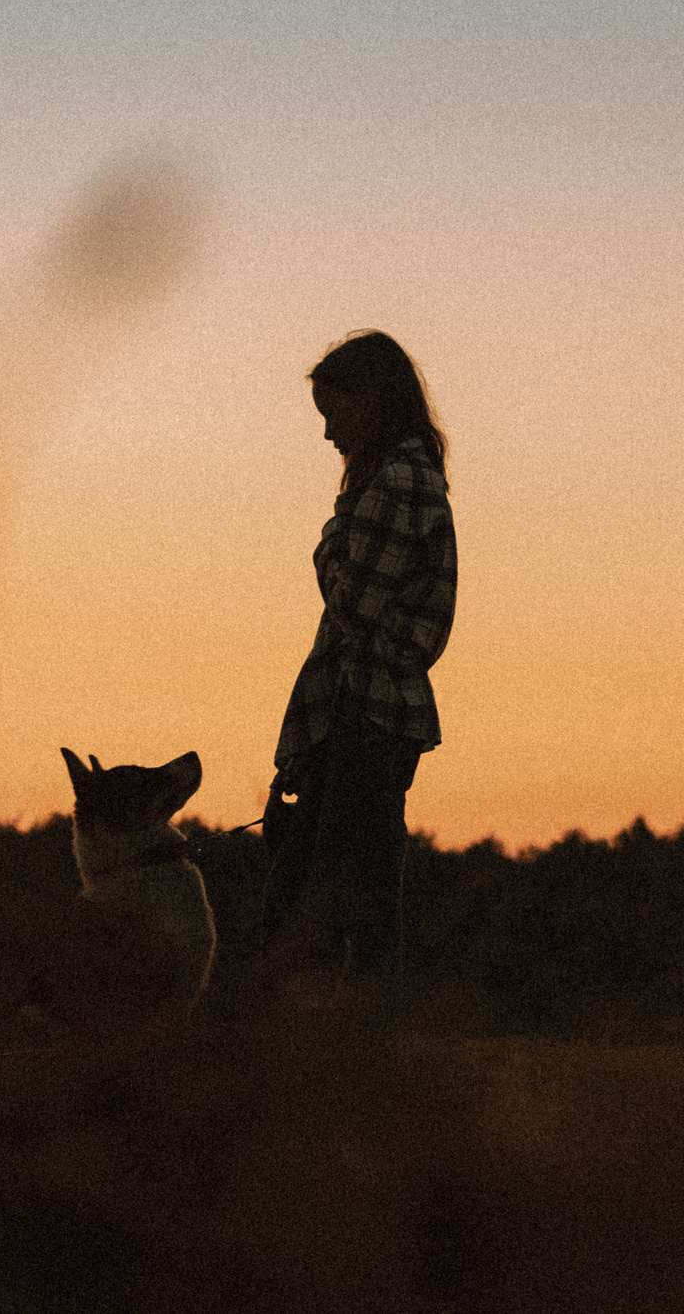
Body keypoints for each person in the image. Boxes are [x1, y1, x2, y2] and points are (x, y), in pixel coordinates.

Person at [259, 330, 456, 1015]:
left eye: (333, 412)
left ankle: (338, 1032)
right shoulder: (402, 479)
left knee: (333, 888)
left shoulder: (396, 484)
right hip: (372, 712)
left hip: (369, 714)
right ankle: (352, 1029)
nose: (328, 433)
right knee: (345, 880)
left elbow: (354, 608)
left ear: (369, 402)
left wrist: (327, 545)